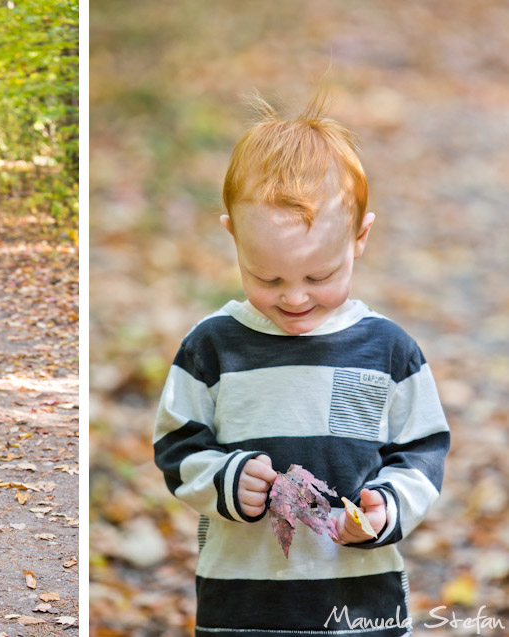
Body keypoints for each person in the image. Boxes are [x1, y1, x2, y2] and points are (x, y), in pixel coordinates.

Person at [153, 95, 450, 636]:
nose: (294, 298)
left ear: (360, 238)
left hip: (359, 604)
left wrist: (386, 507)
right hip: (242, 605)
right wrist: (225, 480)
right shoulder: (212, 347)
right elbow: (177, 448)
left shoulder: (388, 350)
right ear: (233, 237)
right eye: (267, 278)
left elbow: (422, 451)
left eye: (318, 277)